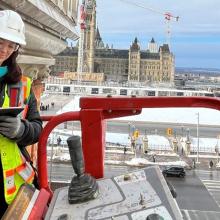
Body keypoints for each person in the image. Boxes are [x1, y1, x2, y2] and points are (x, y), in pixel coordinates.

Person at [0, 10, 42, 217]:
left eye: (11, 45)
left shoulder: (22, 84)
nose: (4, 50)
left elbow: (37, 128)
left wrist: (21, 129)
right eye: (0, 42)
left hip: (12, 190)